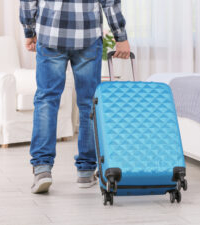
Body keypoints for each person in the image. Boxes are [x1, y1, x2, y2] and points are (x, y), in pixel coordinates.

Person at [19, 0, 130, 194]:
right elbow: (110, 3)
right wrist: (120, 36)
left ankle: (42, 169)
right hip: (87, 37)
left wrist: (29, 31)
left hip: (51, 34)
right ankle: (86, 171)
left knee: (47, 100)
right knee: (88, 103)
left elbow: (28, 2)